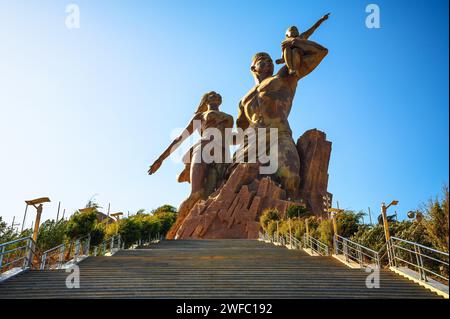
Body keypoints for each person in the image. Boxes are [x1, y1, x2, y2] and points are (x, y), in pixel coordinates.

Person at [148, 91, 234, 239]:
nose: (217, 95)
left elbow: (231, 137)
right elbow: (180, 138)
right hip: (203, 148)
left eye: (218, 94)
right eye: (212, 95)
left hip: (223, 153)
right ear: (205, 100)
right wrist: (161, 158)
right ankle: (177, 229)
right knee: (196, 194)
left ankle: (206, 231)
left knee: (214, 194)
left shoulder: (229, 117)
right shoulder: (200, 116)